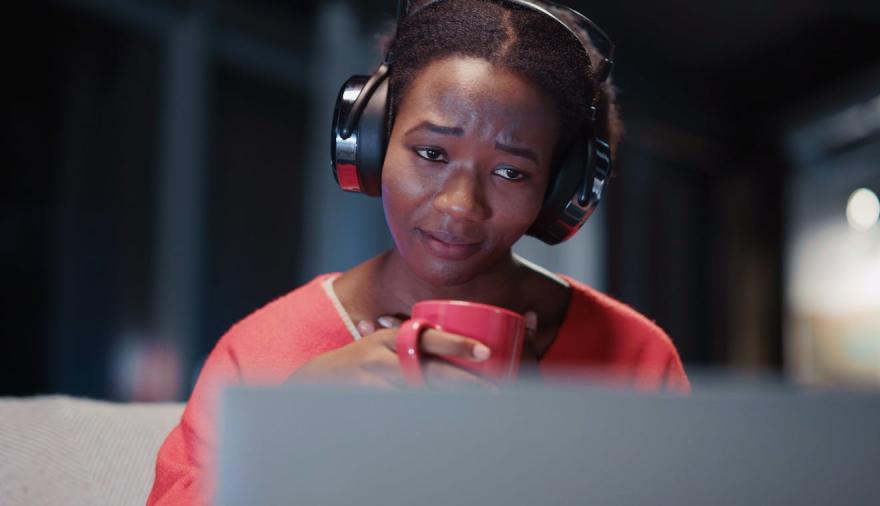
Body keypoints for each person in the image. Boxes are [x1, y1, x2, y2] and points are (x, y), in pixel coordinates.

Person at [148, 0, 688, 503]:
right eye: (431, 152)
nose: (460, 206)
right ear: (372, 144)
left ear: (560, 189)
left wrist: (537, 437)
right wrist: (290, 427)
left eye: (510, 171)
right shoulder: (260, 353)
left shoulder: (635, 356)